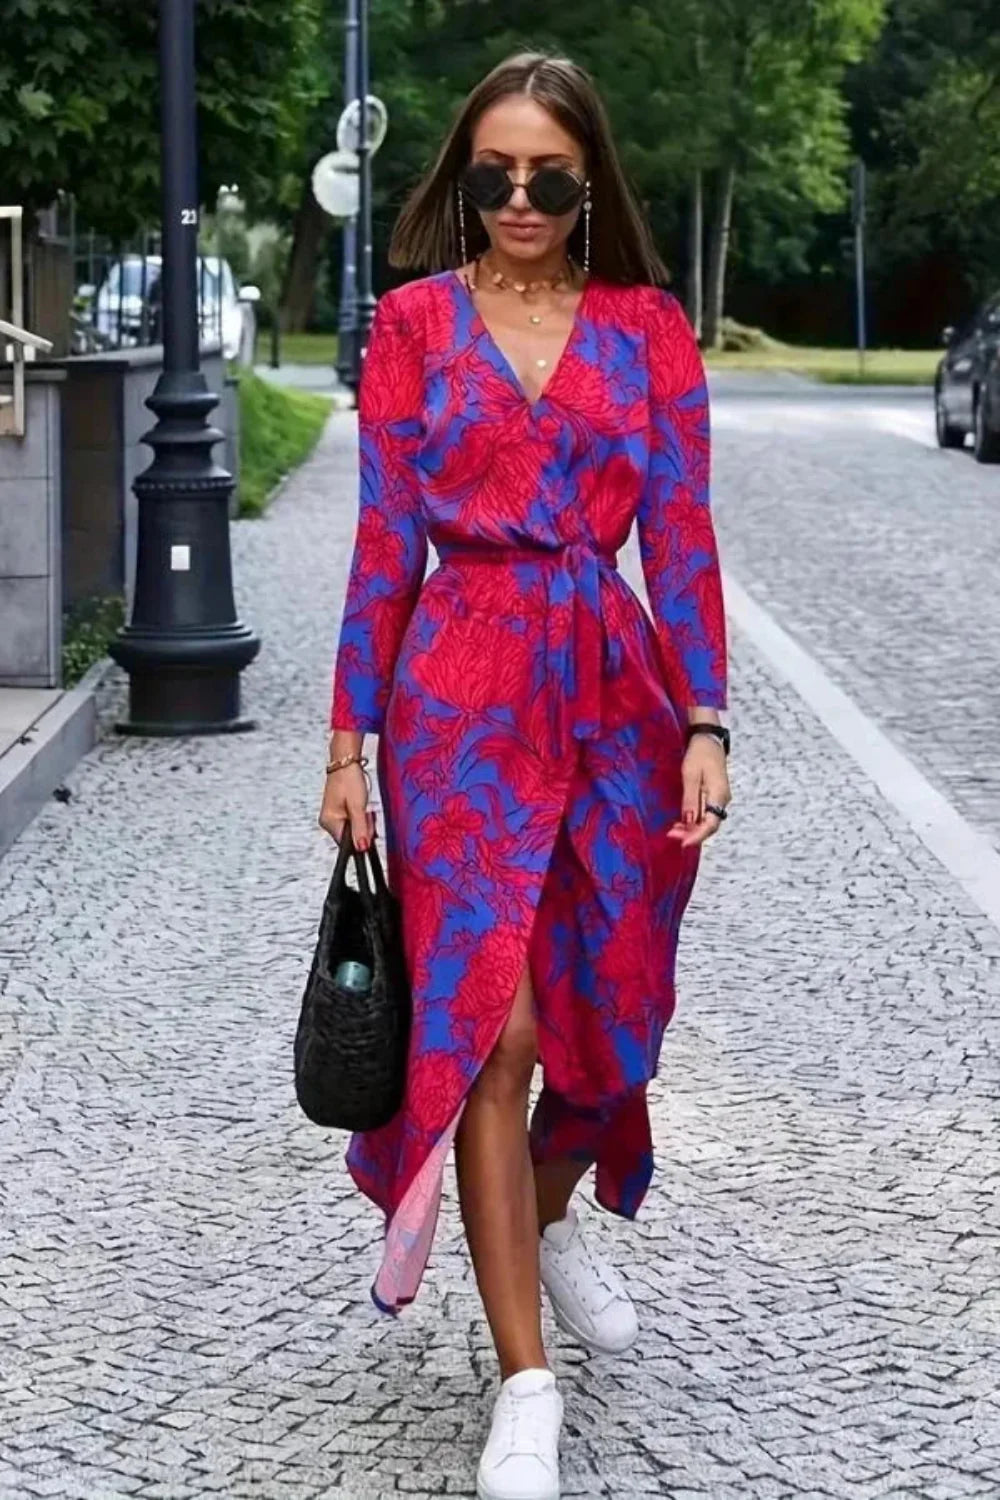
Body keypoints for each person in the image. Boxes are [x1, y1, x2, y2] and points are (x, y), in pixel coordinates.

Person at [319, 50, 730, 1500]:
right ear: (462, 179)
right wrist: (346, 739)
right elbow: (384, 547)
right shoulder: (418, 327)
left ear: (588, 179)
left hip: (615, 695)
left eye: (546, 173)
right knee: (489, 1028)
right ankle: (524, 1386)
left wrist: (708, 717)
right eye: (491, 172)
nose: (517, 197)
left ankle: (552, 1218)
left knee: (599, 1014)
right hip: (460, 701)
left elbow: (678, 539)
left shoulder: (649, 331)